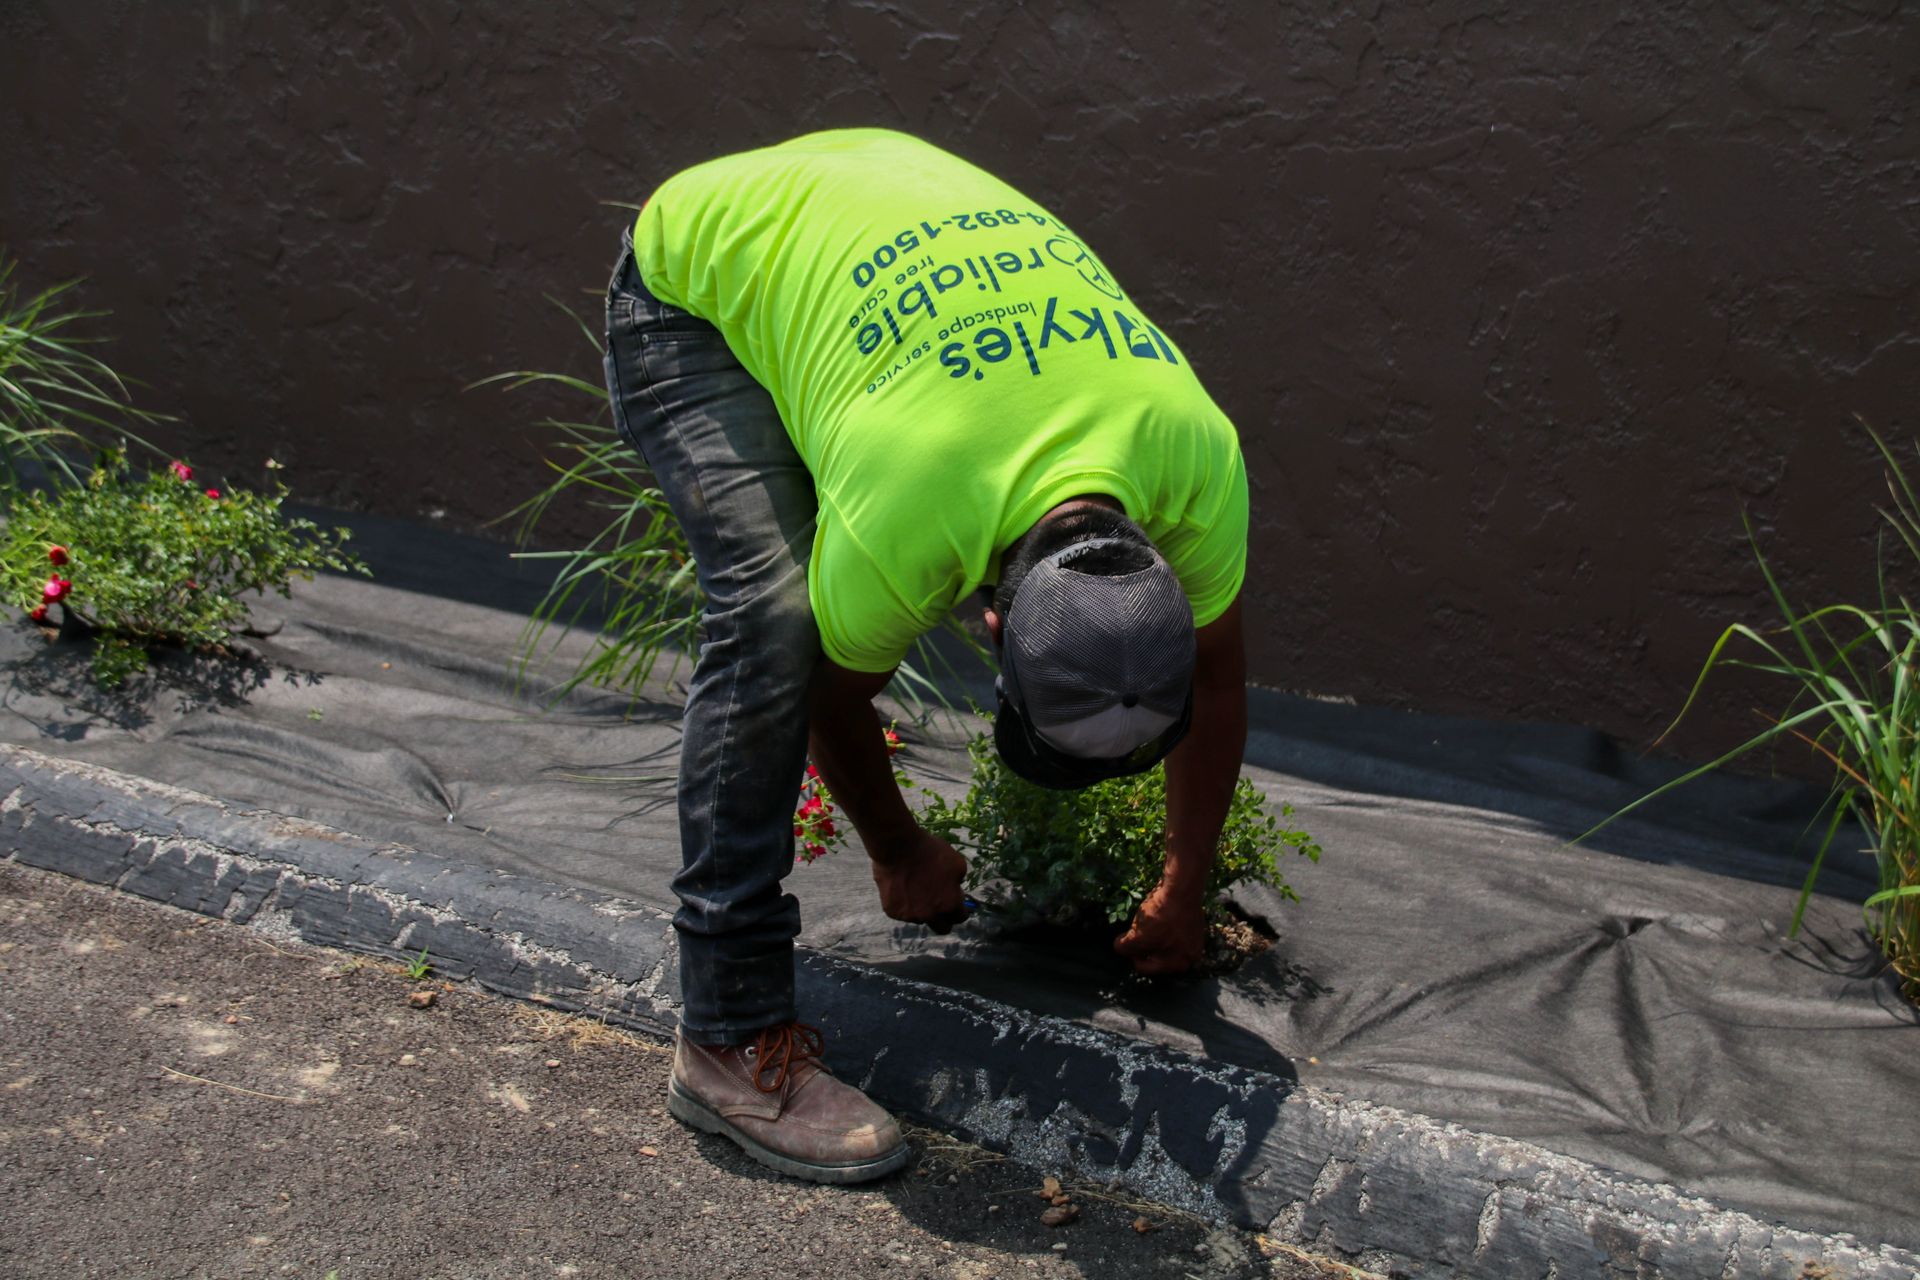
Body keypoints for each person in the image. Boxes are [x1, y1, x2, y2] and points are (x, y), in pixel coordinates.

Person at [603, 129, 1249, 1184]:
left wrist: (1185, 884)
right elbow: (828, 692)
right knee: (773, 619)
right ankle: (726, 1039)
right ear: (989, 622)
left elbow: (1218, 678)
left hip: (873, 199)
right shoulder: (912, 520)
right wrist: (898, 847)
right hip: (700, 276)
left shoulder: (1199, 462)